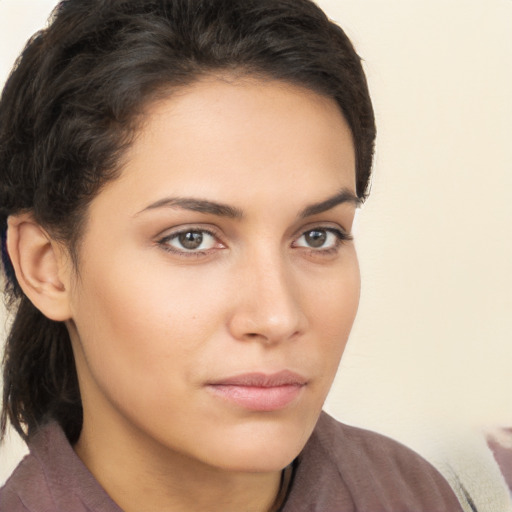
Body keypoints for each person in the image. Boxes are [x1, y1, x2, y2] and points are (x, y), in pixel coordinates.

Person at [0, 0, 463, 510]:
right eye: (191, 238)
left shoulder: (410, 493)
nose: (277, 317)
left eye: (317, 236)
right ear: (46, 267)